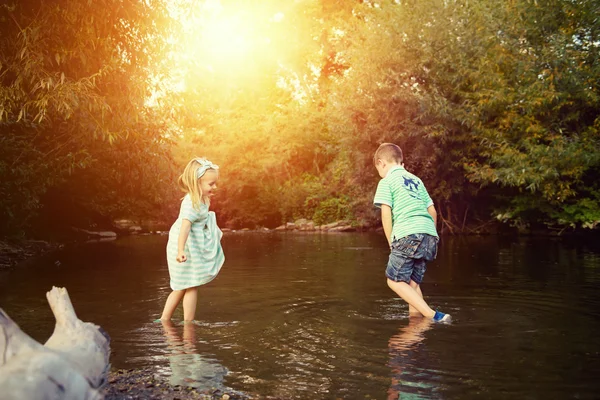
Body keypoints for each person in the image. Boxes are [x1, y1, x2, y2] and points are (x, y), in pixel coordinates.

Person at [373, 143, 451, 323]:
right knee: (411, 286)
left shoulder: (386, 182)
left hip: (408, 234)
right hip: (429, 235)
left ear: (381, 163)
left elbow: (386, 214)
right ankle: (416, 325)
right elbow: (432, 211)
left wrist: (391, 243)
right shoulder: (416, 180)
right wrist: (429, 234)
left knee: (393, 280)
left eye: (378, 169)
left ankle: (434, 316)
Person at [160, 158, 225, 322]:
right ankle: (184, 322)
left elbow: (199, 223)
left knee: (186, 285)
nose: (214, 187)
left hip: (191, 245)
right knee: (187, 285)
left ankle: (166, 320)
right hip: (181, 245)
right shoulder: (191, 202)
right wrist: (180, 250)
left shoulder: (203, 199)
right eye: (211, 184)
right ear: (197, 183)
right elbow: (185, 227)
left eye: (215, 183)